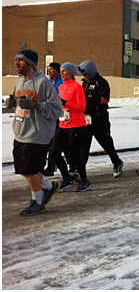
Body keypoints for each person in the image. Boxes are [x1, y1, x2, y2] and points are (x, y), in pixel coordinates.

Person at [6, 49, 62, 215]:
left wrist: (36, 105)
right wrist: (13, 102)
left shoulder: (43, 82)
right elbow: (20, 101)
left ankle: (37, 202)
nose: (16, 64)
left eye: (20, 60)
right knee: (23, 169)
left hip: (37, 134)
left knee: (30, 170)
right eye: (16, 60)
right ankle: (49, 186)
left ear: (29, 63)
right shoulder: (19, 81)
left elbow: (57, 109)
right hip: (21, 131)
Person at [77, 60, 124, 177]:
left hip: (99, 119)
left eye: (86, 73)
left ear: (91, 71)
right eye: (83, 74)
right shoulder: (84, 83)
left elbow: (105, 99)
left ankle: (117, 162)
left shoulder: (101, 82)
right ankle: (80, 170)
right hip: (87, 119)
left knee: (106, 143)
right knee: (84, 145)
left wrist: (92, 96)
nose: (84, 76)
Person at [51, 62, 91, 192]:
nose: (62, 73)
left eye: (64, 71)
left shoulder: (77, 87)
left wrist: (66, 103)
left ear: (71, 73)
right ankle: (66, 178)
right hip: (63, 123)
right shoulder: (61, 87)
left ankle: (84, 180)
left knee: (74, 155)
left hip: (76, 125)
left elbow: (82, 107)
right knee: (54, 152)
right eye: (61, 71)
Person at [42, 62, 64, 177]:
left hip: (59, 118)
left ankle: (72, 165)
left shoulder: (61, 83)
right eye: (48, 69)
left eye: (51, 69)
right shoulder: (49, 82)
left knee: (57, 143)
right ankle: (50, 167)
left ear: (57, 71)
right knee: (52, 143)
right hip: (49, 117)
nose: (49, 71)